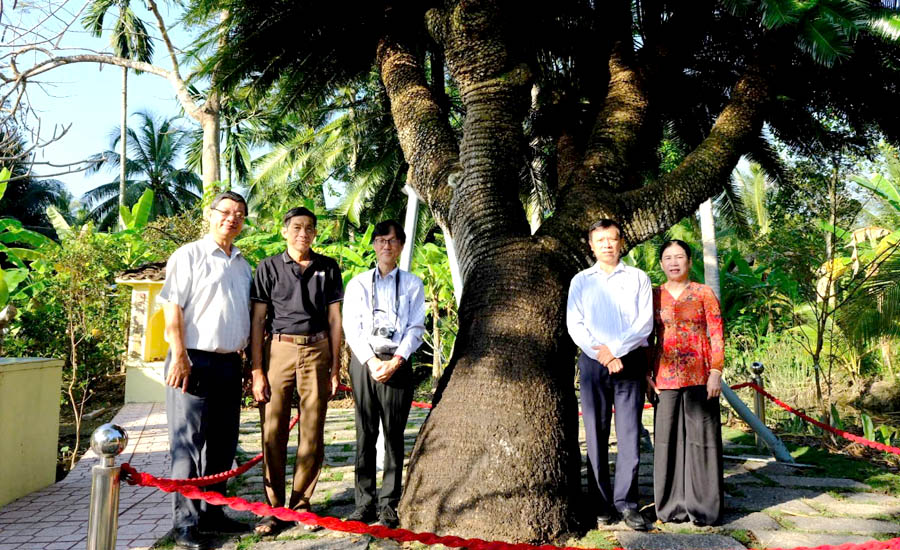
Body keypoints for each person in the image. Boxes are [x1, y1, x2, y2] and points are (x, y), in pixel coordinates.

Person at [158, 191, 252, 550]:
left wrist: (245, 363)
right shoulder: (189, 255)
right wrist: (179, 355)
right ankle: (186, 523)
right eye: (226, 212)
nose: (232, 218)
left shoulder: (244, 265)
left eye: (240, 214)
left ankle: (214, 513)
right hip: (192, 360)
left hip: (230, 363)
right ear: (210, 214)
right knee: (188, 444)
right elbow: (173, 309)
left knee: (224, 443)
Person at [249, 207, 344, 535]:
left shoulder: (328, 268)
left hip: (317, 350)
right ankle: (271, 509)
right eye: (297, 227)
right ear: (285, 230)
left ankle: (301, 505)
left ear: (315, 233)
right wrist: (257, 371)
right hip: (279, 351)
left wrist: (335, 367)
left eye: (309, 228)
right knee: (273, 431)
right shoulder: (268, 267)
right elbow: (258, 321)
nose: (303, 233)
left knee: (312, 431)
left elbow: (335, 320)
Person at [566, 218, 653, 531]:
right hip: (592, 364)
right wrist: (600, 352)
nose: (606, 244)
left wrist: (614, 351)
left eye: (611, 239)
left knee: (630, 433)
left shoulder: (638, 278)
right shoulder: (580, 281)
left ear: (621, 242)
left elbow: (644, 323)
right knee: (595, 432)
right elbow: (574, 324)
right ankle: (601, 503)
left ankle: (628, 504)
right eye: (599, 240)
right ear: (591, 245)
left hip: (629, 363)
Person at [342, 220, 426, 528]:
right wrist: (371, 361)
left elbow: (417, 327)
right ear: (374, 245)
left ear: (401, 245)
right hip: (366, 363)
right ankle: (363, 502)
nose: (386, 246)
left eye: (392, 240)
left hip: (398, 363)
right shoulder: (360, 283)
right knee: (365, 434)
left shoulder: (413, 284)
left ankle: (389, 503)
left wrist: (397, 360)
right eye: (380, 240)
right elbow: (352, 327)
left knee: (393, 436)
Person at [648, 239, 724, 526]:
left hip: (700, 376)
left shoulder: (703, 293)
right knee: (667, 442)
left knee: (701, 441)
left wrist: (716, 371)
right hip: (664, 378)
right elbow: (648, 338)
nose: (674, 262)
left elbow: (716, 333)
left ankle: (704, 508)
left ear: (689, 262)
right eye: (668, 257)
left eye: (679, 257)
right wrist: (647, 373)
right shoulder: (654, 295)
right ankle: (670, 507)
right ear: (661, 263)